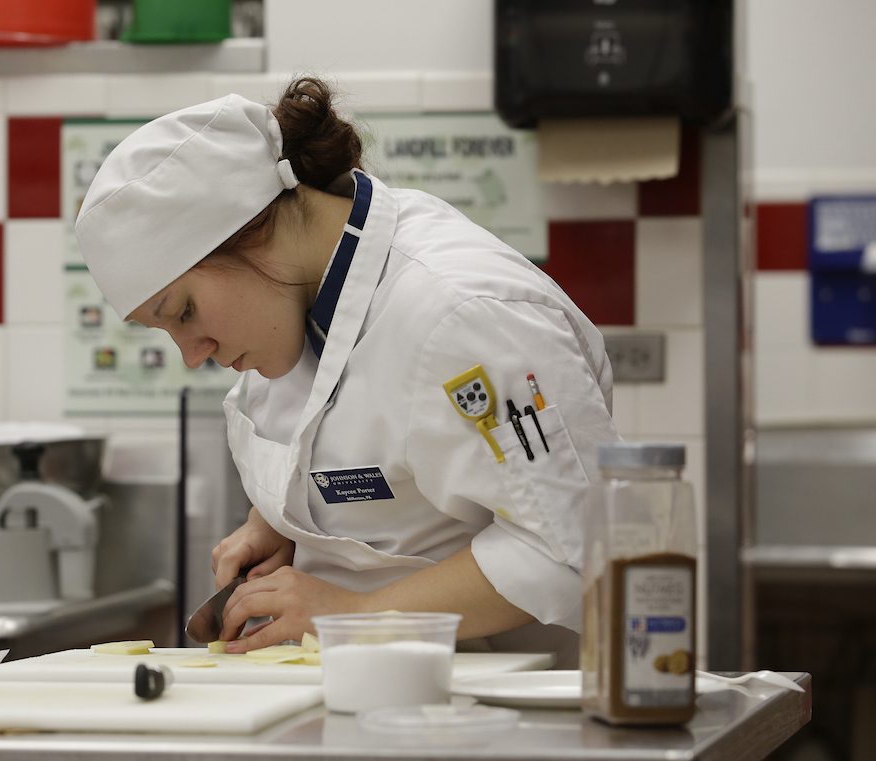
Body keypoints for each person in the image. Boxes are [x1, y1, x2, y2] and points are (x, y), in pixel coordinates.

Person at [75, 77, 620, 667]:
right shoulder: (297, 300)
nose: (192, 353)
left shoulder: (464, 313)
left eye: (184, 312)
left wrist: (354, 615)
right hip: (379, 696)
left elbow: (571, 543)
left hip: (511, 714)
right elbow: (367, 446)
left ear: (250, 229)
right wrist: (285, 523)